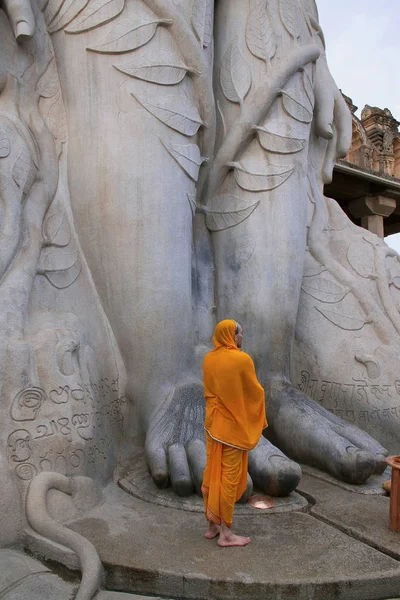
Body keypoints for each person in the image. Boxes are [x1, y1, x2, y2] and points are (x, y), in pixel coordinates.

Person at [202, 320, 267, 547]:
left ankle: (212, 525)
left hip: (212, 425)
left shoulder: (208, 358)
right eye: (240, 334)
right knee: (229, 479)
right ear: (232, 335)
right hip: (231, 429)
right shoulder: (242, 359)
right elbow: (254, 391)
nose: (242, 337)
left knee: (212, 473)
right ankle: (226, 534)